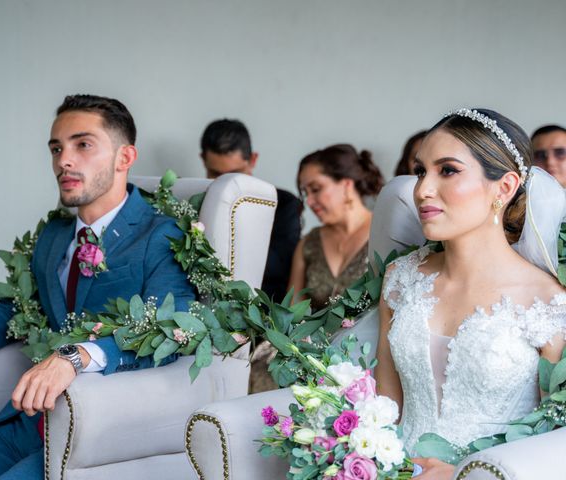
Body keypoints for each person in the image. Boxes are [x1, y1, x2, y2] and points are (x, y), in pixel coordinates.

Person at [0, 94, 196, 478]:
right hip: (24, 424)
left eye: (82, 145)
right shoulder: (54, 235)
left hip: (95, 436)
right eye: (57, 148)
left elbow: (171, 330)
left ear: (125, 158)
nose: (63, 160)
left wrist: (76, 357)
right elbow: (21, 308)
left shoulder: (162, 236)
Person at [374, 108, 566, 480]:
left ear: (505, 187)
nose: (423, 190)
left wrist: (462, 472)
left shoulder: (548, 302)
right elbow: (384, 408)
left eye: (447, 170)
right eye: (420, 171)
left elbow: (553, 441)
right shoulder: (401, 278)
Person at [200, 119, 302, 302]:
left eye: (235, 174)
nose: (227, 186)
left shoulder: (284, 204)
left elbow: (280, 267)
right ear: (203, 160)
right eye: (216, 175)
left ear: (253, 160)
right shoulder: (194, 198)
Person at [288, 144, 384, 309]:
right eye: (305, 193)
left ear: (347, 185)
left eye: (316, 189)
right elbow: (291, 312)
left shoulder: (384, 232)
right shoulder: (308, 243)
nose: (309, 201)